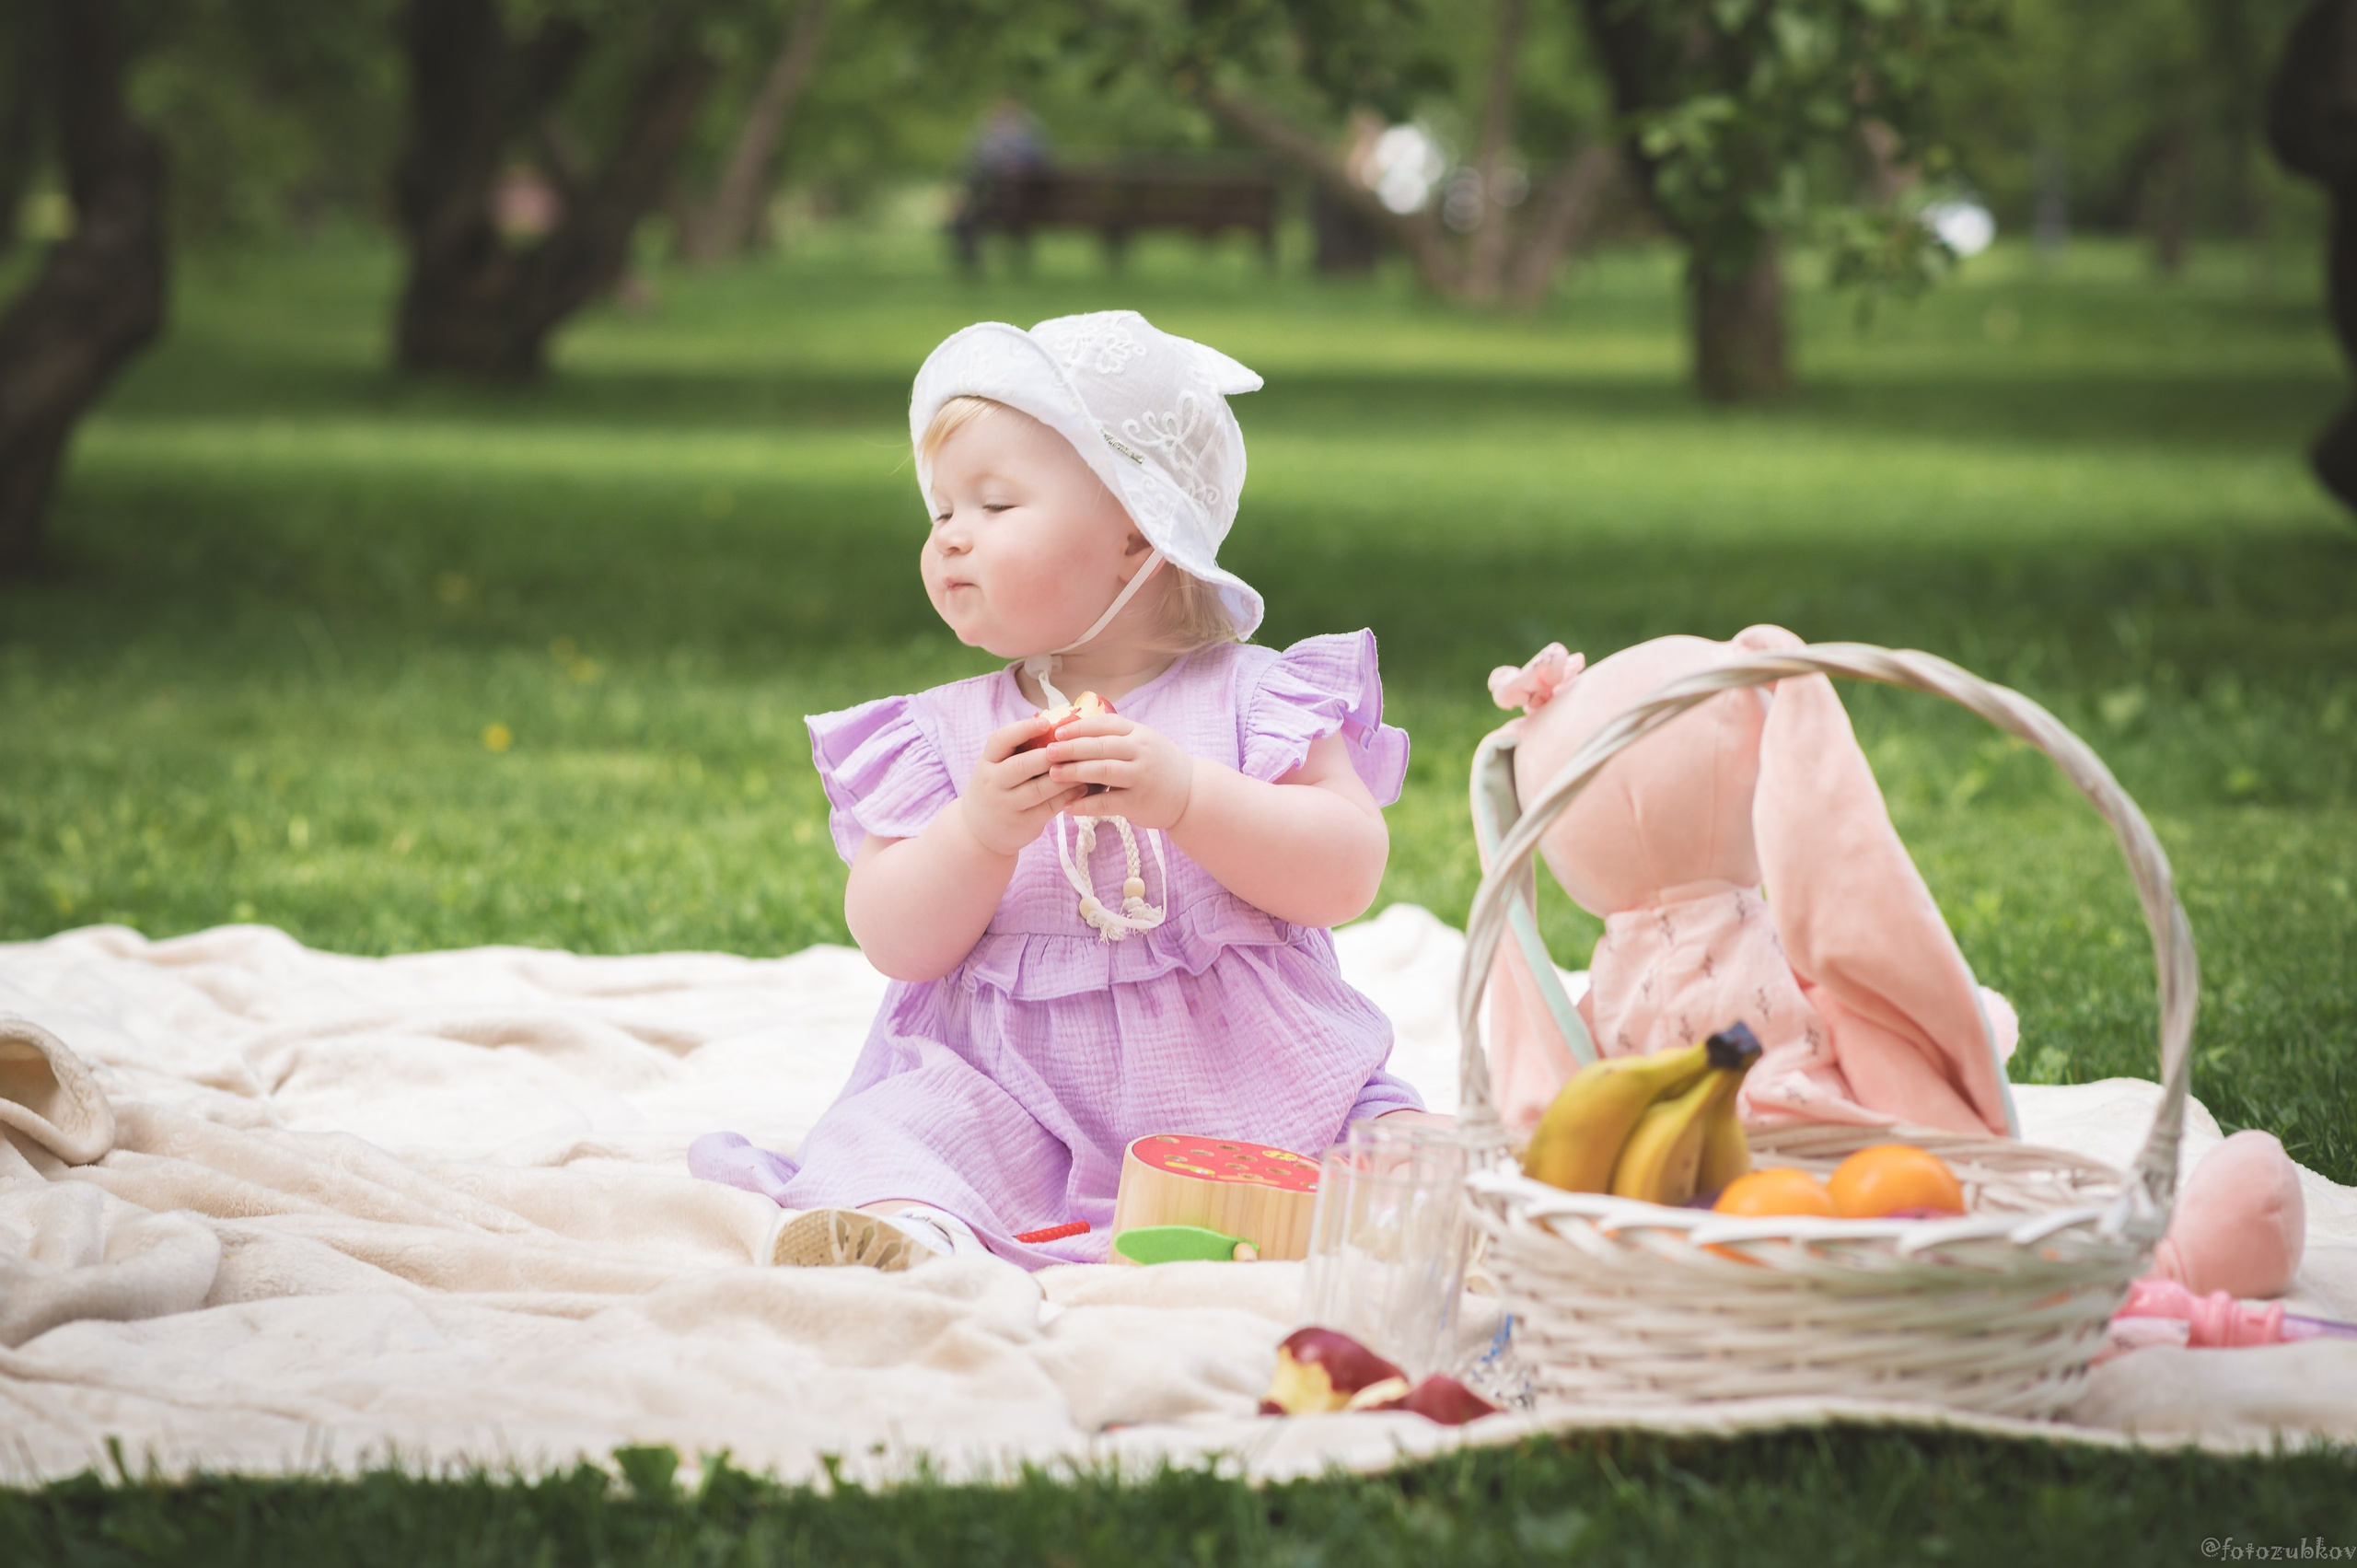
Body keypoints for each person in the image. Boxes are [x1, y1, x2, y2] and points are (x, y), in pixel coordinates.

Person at [690, 311, 1428, 1270]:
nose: (951, 539)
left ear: (1135, 535)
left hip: (1239, 1073)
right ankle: (911, 1228)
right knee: (906, 1130)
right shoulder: (943, 735)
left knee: (1380, 1145)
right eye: (940, 512)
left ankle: (1398, 1209)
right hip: (1006, 1085)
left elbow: (1345, 872)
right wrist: (978, 832)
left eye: (994, 505)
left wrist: (1188, 796)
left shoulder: (1257, 700)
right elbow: (895, 938)